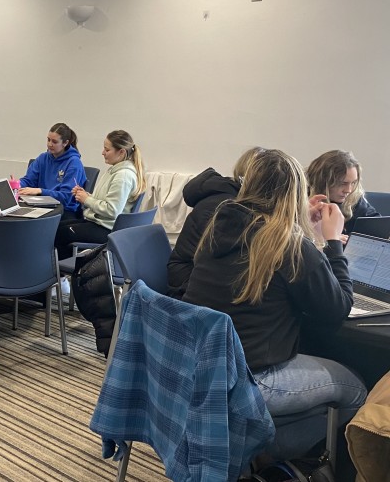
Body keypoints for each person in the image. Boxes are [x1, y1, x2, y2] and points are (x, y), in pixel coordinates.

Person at [182, 149, 366, 461]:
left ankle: (244, 443)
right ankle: (262, 454)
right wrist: (333, 243)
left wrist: (303, 226)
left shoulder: (219, 225)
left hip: (198, 368)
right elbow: (338, 309)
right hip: (252, 379)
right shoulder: (290, 245)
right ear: (296, 193)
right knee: (358, 390)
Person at [166, 146, 264, 299]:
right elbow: (220, 267)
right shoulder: (227, 208)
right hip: (185, 283)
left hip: (191, 273)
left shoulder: (234, 199)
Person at [55, 130, 145, 259]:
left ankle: (67, 274)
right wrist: (87, 196)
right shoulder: (114, 170)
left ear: (121, 152)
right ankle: (66, 272)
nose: (103, 152)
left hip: (107, 228)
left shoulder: (123, 176)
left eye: (107, 150)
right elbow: (107, 200)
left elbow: (112, 210)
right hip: (101, 222)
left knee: (60, 234)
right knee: (58, 226)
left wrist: (87, 200)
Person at [306, 150, 380, 240]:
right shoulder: (301, 198)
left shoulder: (354, 197)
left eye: (353, 183)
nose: (348, 190)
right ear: (323, 182)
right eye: (342, 183)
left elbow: (377, 224)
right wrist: (326, 239)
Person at [19, 122, 86, 219]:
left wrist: (40, 191)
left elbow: (66, 197)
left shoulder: (74, 163)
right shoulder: (43, 157)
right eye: (48, 140)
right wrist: (15, 185)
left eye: (54, 142)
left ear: (65, 143)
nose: (50, 144)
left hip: (64, 210)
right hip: (41, 206)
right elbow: (29, 181)